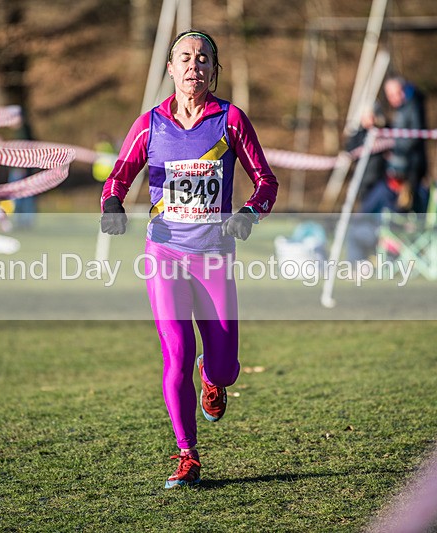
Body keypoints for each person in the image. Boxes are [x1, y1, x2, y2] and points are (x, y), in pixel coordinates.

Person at [99, 29, 278, 489]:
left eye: (202, 59)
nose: (193, 66)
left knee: (226, 368)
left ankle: (212, 376)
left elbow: (265, 181)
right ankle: (187, 455)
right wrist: (112, 204)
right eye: (185, 58)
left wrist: (248, 214)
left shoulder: (230, 120)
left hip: (214, 257)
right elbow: (118, 176)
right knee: (175, 354)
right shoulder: (150, 124)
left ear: (213, 70)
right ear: (171, 68)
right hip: (164, 254)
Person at [383, 76, 428, 213]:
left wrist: (395, 150)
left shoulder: (413, 106)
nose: (393, 98)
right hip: (402, 164)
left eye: (395, 94)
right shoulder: (402, 109)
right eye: (390, 95)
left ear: (402, 90)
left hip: (412, 164)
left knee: (408, 204)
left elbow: (415, 135)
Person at [346, 102, 388, 201]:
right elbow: (350, 151)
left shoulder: (385, 131)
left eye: (369, 116)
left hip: (381, 177)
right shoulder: (358, 134)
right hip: (363, 177)